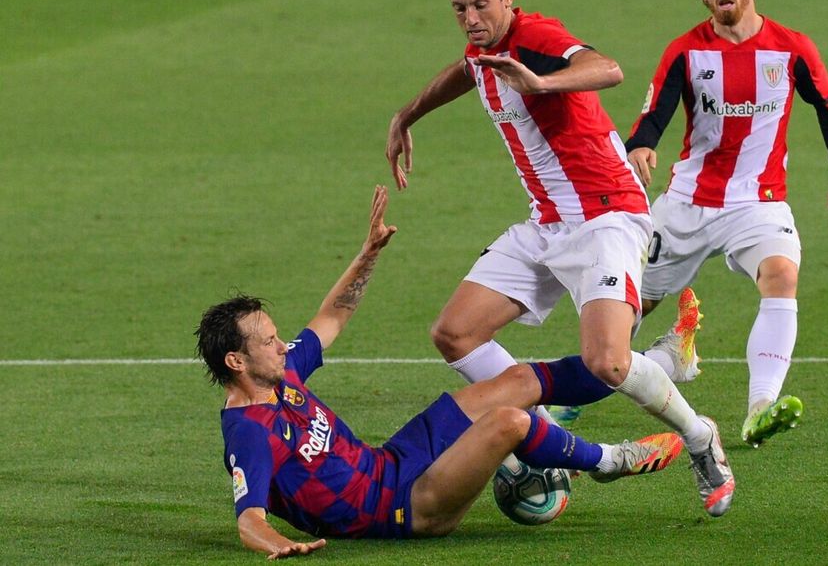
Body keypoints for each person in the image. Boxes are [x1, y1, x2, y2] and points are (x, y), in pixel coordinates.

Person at [385, 0, 733, 518]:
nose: (472, 20)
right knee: (454, 333)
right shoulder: (484, 49)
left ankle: (699, 437)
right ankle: (539, 432)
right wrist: (407, 114)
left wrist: (543, 83)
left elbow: (608, 68)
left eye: (481, 5)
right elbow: (465, 72)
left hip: (605, 215)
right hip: (546, 224)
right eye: (460, 9)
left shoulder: (537, 39)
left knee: (608, 363)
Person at [195, 185, 684, 559]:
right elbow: (249, 519)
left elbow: (331, 318)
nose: (283, 346)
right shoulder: (250, 433)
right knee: (509, 421)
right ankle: (609, 461)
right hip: (404, 507)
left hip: (392, 462)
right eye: (269, 342)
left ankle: (641, 365)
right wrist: (281, 545)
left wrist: (368, 255)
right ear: (236, 362)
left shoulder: (281, 376)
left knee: (514, 384)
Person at [625, 0, 828, 447]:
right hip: (687, 203)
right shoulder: (685, 51)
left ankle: (760, 406)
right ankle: (638, 369)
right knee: (623, 311)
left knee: (781, 275)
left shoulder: (791, 48)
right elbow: (654, 113)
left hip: (759, 201)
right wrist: (641, 145)